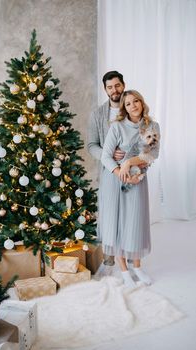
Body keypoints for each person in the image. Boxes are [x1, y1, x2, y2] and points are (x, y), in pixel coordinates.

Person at [100, 90, 160, 288]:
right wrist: (121, 171)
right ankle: (124, 271)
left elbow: (153, 154)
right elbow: (106, 156)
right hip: (115, 181)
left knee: (135, 223)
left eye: (136, 101)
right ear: (124, 109)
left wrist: (129, 163)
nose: (133, 105)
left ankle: (137, 267)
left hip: (138, 180)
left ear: (142, 103)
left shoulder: (152, 126)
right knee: (118, 224)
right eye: (128, 104)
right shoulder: (117, 127)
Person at [87, 71, 126, 266]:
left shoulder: (132, 108)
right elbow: (91, 145)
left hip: (131, 169)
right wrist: (108, 156)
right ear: (105, 89)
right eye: (110, 87)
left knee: (128, 212)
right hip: (108, 170)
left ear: (123, 85)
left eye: (117, 85)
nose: (114, 90)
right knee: (109, 212)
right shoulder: (97, 114)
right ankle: (109, 254)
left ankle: (128, 253)